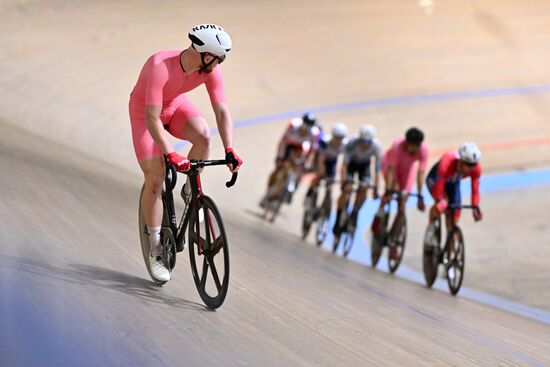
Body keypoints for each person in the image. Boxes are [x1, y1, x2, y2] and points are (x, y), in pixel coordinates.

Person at [129, 23, 243, 282]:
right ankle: (156, 247)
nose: (220, 64)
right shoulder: (160, 65)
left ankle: (191, 191)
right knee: (155, 178)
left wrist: (229, 149)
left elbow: (222, 111)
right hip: (146, 113)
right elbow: (151, 117)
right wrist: (170, 154)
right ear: (204, 54)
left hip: (176, 107)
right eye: (219, 58)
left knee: (204, 135)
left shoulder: (210, 69)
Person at [372, 127, 427, 258]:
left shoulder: (424, 150)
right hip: (391, 168)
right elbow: (390, 171)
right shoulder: (398, 145)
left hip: (407, 171)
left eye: (416, 147)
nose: (413, 150)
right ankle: (379, 214)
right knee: (392, 192)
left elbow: (420, 174)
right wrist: (388, 189)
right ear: (406, 142)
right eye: (411, 146)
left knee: (402, 202)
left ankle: (394, 241)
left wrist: (420, 196)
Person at [261, 112, 321, 206]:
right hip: (288, 145)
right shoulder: (294, 125)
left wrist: (306, 163)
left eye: (307, 129)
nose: (304, 130)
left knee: (299, 170)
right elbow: (282, 142)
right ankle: (268, 191)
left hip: (300, 148)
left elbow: (312, 151)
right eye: (303, 128)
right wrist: (280, 157)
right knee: (278, 168)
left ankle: (290, 190)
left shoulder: (315, 133)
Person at [333, 125, 382, 236]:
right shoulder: (351, 144)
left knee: (364, 188)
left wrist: (376, 187)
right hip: (351, 165)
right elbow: (344, 166)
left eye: (367, 143)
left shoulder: (376, 147)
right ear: (359, 139)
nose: (364, 145)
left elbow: (377, 170)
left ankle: (355, 211)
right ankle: (338, 218)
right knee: (347, 189)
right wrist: (344, 181)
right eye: (362, 142)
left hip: (364, 167)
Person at [426, 142, 483, 234]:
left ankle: (450, 239)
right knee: (443, 204)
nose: (472, 168)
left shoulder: (476, 168)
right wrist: (441, 201)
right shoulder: (447, 163)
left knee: (456, 211)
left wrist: (475, 207)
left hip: (453, 183)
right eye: (469, 165)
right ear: (461, 161)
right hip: (436, 180)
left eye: (474, 165)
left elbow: (475, 189)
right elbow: (439, 188)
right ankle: (431, 230)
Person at [303, 122, 348, 210]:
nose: (339, 140)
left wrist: (341, 177)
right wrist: (321, 173)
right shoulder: (325, 142)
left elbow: (343, 163)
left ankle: (325, 204)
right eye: (337, 137)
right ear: (333, 135)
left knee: (331, 183)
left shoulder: (344, 145)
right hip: (320, 160)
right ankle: (310, 193)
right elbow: (320, 160)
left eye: (341, 138)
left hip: (332, 162)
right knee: (319, 175)